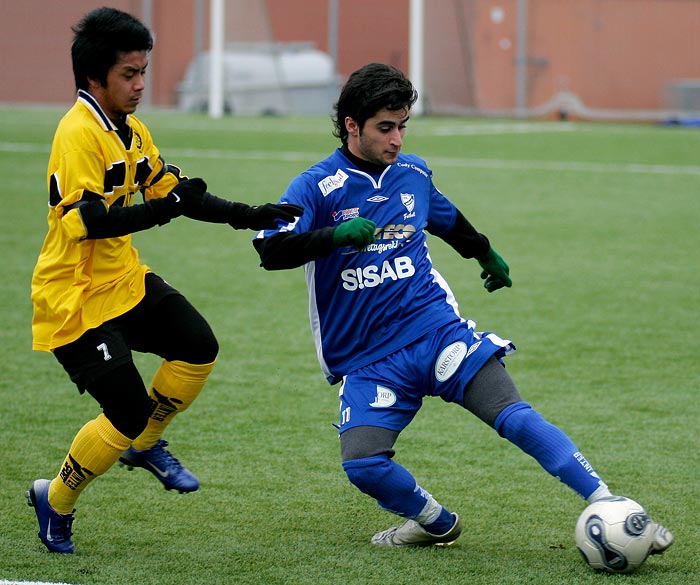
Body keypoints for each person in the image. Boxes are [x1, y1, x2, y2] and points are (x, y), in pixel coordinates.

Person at [252, 62, 674, 552]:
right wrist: (331, 236)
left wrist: (486, 254)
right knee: (363, 463)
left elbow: (449, 221)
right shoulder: (314, 187)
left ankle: (613, 506)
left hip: (434, 329)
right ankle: (434, 521)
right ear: (352, 125)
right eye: (384, 128)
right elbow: (269, 249)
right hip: (368, 358)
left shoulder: (412, 174)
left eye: (402, 126)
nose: (397, 140)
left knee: (514, 415)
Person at [26, 7, 301, 554]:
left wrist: (252, 214)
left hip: (121, 281)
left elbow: (176, 193)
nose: (140, 85)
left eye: (143, 71)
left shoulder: (130, 130)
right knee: (125, 412)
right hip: (72, 299)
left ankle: (143, 445)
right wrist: (165, 209)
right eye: (129, 74)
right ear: (93, 78)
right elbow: (88, 223)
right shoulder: (77, 133)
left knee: (197, 346)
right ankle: (54, 500)